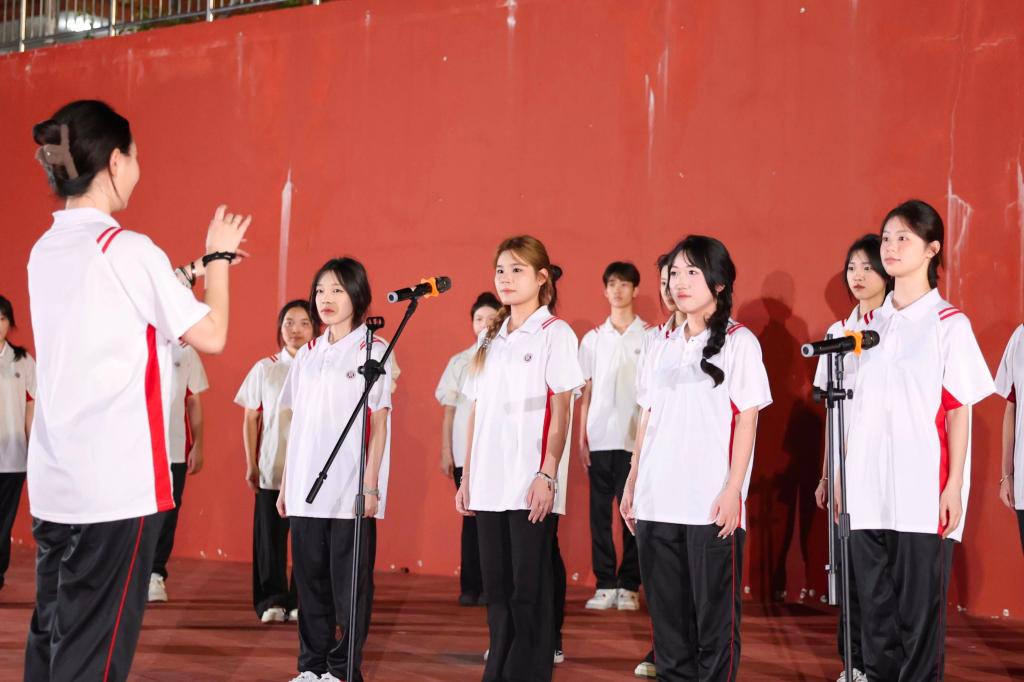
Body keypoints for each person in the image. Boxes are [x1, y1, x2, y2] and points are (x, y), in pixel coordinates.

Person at [24, 99, 250, 681]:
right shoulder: (128, 249)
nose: (139, 169)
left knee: (52, 638)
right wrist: (219, 259)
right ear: (115, 161)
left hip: (55, 483)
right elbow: (213, 334)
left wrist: (188, 272)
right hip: (115, 490)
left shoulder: (44, 251)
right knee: (92, 659)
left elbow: (120, 309)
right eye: (136, 156)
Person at [845, 199, 994, 681]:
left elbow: (959, 411)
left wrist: (952, 487)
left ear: (932, 249)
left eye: (903, 238)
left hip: (921, 496)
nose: (890, 247)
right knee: (875, 616)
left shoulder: (948, 324)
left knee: (918, 620)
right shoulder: (865, 327)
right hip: (868, 495)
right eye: (886, 238)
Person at [622, 235, 772, 682]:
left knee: (715, 628)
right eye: (674, 273)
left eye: (692, 272)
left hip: (709, 506)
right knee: (669, 632)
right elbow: (647, 417)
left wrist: (733, 490)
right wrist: (633, 481)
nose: (680, 282)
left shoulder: (740, 343)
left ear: (719, 283)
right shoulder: (659, 343)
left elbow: (747, 421)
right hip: (657, 502)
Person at [456, 235, 584, 682]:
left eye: (517, 270)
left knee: (528, 591)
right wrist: (467, 477)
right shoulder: (489, 338)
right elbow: (476, 411)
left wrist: (547, 473)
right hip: (489, 483)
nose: (506, 279)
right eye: (500, 270)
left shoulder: (555, 334)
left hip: (530, 482)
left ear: (541, 277)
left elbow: (562, 409)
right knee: (497, 590)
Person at [277, 258, 394, 682]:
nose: (326, 299)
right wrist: (287, 484)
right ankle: (311, 668)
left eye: (338, 290)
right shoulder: (307, 354)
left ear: (357, 296)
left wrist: (371, 486)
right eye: (321, 290)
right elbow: (296, 423)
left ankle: (342, 671)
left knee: (350, 589)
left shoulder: (374, 350)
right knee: (309, 585)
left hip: (349, 492)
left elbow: (379, 423)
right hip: (305, 489)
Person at [811, 234, 893, 682]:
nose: (858, 276)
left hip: (885, 467)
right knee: (850, 572)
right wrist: (828, 475)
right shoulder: (836, 334)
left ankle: (883, 664)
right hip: (846, 472)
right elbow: (832, 411)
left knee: (883, 574)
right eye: (852, 268)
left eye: (867, 267)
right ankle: (854, 662)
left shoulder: (894, 329)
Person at [234, 299, 314, 622]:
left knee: (308, 540)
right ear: (279, 328)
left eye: (304, 323)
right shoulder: (265, 369)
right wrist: (251, 464)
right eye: (289, 323)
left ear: (315, 328)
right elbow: (250, 418)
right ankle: (271, 600)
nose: (296, 330)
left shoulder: (319, 367)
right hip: (272, 466)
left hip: (311, 470)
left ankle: (300, 601)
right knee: (269, 539)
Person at [577, 261, 649, 612]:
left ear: (636, 289)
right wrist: (581, 437)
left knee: (632, 513)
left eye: (624, 284)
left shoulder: (648, 336)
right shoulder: (593, 339)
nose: (617, 291)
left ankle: (629, 585)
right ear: (604, 290)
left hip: (634, 439)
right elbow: (585, 392)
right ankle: (605, 583)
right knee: (599, 515)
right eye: (612, 284)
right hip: (600, 437)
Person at [436, 292, 502, 606]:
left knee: (493, 521)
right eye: (479, 319)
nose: (485, 324)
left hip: (495, 452)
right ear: (472, 323)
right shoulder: (460, 362)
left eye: (491, 319)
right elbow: (449, 411)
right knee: (470, 518)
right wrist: (446, 451)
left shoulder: (505, 358)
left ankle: (492, 586)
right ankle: (470, 585)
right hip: (465, 450)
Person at [149, 341, 209, 602]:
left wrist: (198, 444)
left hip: (173, 449)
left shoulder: (185, 352)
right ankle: (128, 573)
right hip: (135, 449)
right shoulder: (134, 341)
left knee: (167, 513)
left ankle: (155, 573)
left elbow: (193, 401)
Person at [0, 296, 35, 591]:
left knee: (3, 523)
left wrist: (34, 449)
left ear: (10, 323)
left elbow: (31, 408)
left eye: (2, 319)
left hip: (12, 458)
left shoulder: (23, 361)